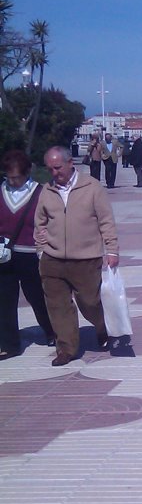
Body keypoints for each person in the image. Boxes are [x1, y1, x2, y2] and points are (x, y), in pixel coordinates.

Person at [35, 146, 119, 366]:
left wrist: (111, 250)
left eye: (58, 168)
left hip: (86, 258)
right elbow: (39, 223)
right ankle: (66, 348)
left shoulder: (92, 187)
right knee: (57, 305)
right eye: (50, 169)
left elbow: (106, 221)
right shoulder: (47, 190)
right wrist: (41, 250)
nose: (54, 173)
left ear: (70, 162)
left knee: (90, 302)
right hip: (52, 260)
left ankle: (102, 328)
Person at [0, 150, 55, 359]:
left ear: (27, 172)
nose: (13, 181)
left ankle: (52, 331)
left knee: (38, 296)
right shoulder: (1, 191)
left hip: (31, 254)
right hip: (4, 255)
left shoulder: (41, 193)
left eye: (17, 177)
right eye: (9, 177)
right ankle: (9, 343)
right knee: (4, 300)